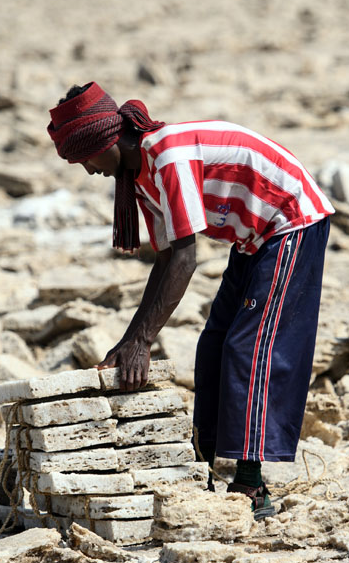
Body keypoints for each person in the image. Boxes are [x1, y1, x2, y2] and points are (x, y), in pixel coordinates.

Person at [46, 82, 334, 518]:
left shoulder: (167, 157)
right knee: (213, 343)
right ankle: (203, 465)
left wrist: (141, 341)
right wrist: (128, 341)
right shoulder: (140, 177)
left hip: (290, 219)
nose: (89, 170)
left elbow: (184, 259)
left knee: (250, 348)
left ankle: (252, 485)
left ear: (107, 141)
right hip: (252, 235)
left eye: (86, 158)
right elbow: (163, 260)